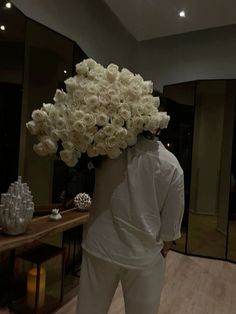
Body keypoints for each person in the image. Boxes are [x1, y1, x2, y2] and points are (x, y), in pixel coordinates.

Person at [77, 131, 184, 314]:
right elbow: (170, 230)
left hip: (100, 246)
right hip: (143, 254)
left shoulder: (106, 150)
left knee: (89, 309)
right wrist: (164, 246)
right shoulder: (171, 165)